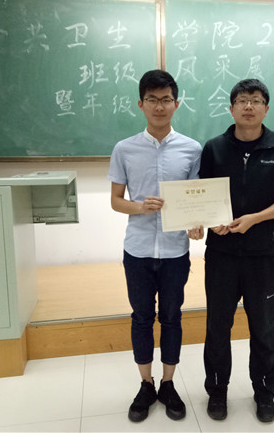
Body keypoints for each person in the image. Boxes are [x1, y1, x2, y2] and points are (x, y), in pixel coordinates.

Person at [199, 79, 274, 423]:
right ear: (231, 108)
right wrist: (210, 221)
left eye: (256, 101)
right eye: (242, 100)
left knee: (264, 327)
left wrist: (255, 219)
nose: (248, 106)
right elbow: (202, 195)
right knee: (217, 327)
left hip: (263, 255)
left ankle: (264, 393)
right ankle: (217, 390)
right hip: (221, 254)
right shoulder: (214, 148)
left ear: (266, 109)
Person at [108, 69, 203, 423]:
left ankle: (168, 383)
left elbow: (195, 199)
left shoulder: (192, 149)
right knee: (142, 318)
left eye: (166, 100)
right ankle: (146, 384)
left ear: (176, 104)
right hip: (138, 250)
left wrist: (197, 224)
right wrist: (139, 206)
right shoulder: (124, 149)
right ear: (141, 104)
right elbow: (116, 201)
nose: (159, 106)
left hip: (176, 251)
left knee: (172, 317)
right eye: (152, 100)